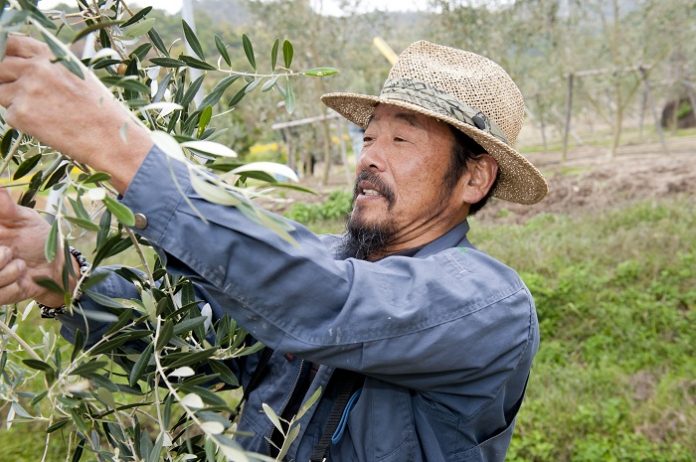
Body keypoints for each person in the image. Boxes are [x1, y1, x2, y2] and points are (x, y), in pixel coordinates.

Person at [0, 38, 548, 461]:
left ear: (474, 178)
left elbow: (321, 302)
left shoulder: (491, 307)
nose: (369, 158)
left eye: (401, 139)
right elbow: (202, 346)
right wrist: (64, 279)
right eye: (368, 137)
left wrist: (111, 141)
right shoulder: (328, 263)